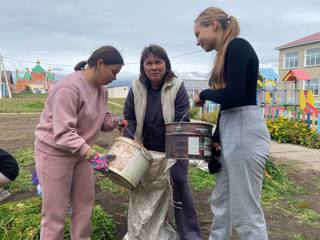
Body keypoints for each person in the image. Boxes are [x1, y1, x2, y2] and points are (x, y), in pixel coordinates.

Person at [193, 7, 271, 240]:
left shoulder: (238, 46)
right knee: (222, 203)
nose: (197, 42)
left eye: (198, 34)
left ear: (214, 25)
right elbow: (228, 107)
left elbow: (235, 96)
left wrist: (204, 94)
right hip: (231, 126)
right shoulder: (226, 53)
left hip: (245, 130)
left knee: (245, 212)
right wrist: (217, 142)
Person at [34, 45, 124, 240]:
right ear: (100, 64)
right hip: (54, 154)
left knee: (84, 206)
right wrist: (92, 155)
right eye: (114, 71)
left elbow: (103, 122)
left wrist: (117, 121)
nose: (115, 77)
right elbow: (64, 132)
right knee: (55, 213)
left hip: (81, 154)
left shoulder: (102, 91)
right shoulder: (68, 88)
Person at [123, 44, 202, 240]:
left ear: (166, 64)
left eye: (158, 62)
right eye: (148, 63)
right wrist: (132, 144)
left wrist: (172, 154)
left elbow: (182, 120)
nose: (153, 67)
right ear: (143, 67)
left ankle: (190, 234)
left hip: (174, 145)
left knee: (179, 184)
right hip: (145, 148)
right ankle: (146, 231)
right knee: (145, 189)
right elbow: (130, 117)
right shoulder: (136, 87)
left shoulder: (177, 86)